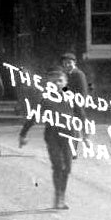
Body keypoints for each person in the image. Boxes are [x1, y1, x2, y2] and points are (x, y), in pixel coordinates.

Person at [19, 67, 76, 209]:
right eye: (54, 82)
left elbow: (79, 114)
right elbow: (33, 116)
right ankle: (58, 198)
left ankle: (62, 194)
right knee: (58, 165)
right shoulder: (45, 99)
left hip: (69, 136)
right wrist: (23, 134)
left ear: (65, 82)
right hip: (53, 136)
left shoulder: (70, 97)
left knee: (67, 168)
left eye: (60, 81)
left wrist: (84, 135)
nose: (57, 84)